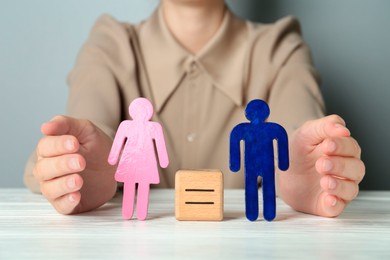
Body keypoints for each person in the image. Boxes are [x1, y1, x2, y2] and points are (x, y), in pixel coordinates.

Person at [24, 0, 365, 218]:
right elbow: (90, 131)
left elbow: (296, 139)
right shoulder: (109, 47)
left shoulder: (281, 51)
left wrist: (305, 167)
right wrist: (77, 163)